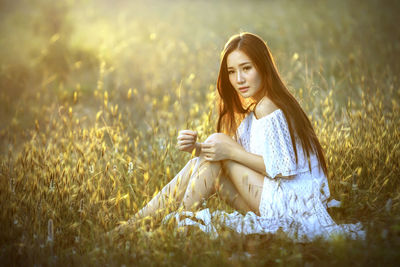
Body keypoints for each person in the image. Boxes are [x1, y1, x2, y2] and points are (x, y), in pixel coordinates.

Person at [108, 32, 364, 242]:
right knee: (206, 159)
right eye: (231, 72)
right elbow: (241, 156)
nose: (239, 79)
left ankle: (166, 228)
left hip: (294, 204)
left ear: (263, 68)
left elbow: (281, 168)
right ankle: (135, 226)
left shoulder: (268, 106)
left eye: (246, 68)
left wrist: (227, 151)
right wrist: (198, 148)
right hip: (274, 198)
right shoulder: (259, 106)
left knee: (218, 148)